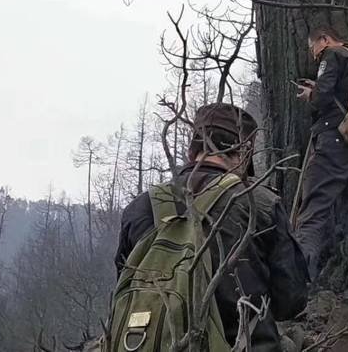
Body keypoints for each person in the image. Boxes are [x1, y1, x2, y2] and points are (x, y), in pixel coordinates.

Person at [114, 103, 308, 352]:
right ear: (244, 154)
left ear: (190, 150)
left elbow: (124, 289)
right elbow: (290, 302)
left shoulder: (140, 207)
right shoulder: (259, 202)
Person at [293, 26, 348, 301]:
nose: (314, 55)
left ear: (323, 40)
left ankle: (296, 290)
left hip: (334, 143)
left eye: (313, 47)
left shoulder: (333, 55)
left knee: (313, 211)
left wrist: (311, 95)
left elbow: (325, 95)